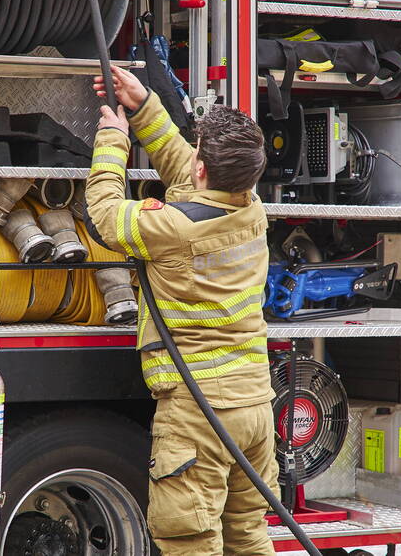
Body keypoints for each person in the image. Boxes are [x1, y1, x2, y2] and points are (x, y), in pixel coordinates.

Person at [84, 65, 278, 556]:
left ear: (202, 170)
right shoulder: (251, 209)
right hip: (253, 404)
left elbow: (106, 213)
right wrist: (143, 103)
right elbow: (185, 169)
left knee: (190, 542)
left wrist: (112, 139)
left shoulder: (174, 228)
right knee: (248, 537)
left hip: (200, 412)